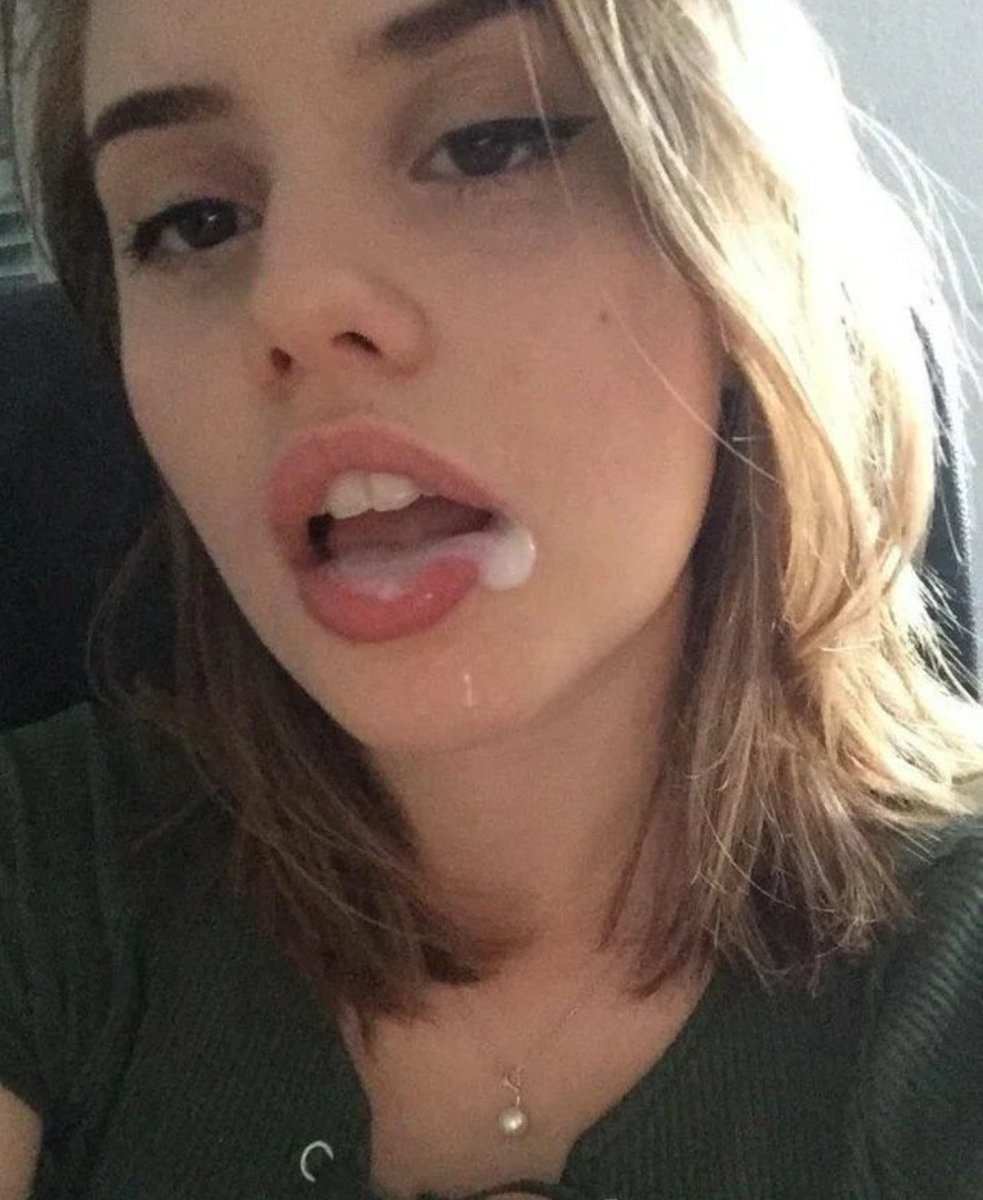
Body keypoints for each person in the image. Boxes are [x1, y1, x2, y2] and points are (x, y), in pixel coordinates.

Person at [1, 0, 982, 1196]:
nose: (293, 301)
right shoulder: (45, 876)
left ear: (735, 231)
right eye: (193, 221)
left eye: (488, 142)